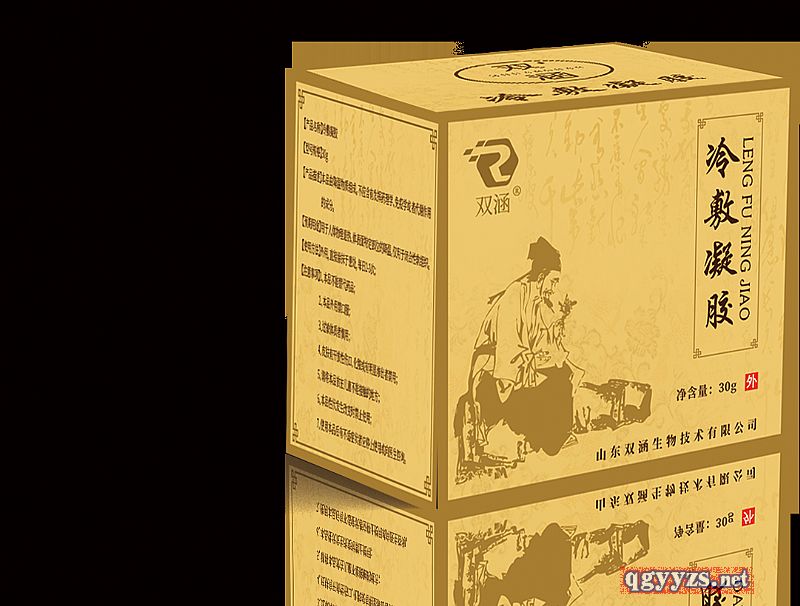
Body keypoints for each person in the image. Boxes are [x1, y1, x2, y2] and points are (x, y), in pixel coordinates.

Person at [458, 237, 584, 465]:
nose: (554, 288)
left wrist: (550, 355)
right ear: (542, 276)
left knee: (563, 374)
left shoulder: (538, 301)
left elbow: (541, 342)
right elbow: (507, 352)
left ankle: (553, 437)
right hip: (494, 376)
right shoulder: (514, 295)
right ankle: (548, 439)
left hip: (521, 369)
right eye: (553, 281)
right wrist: (534, 360)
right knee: (553, 384)